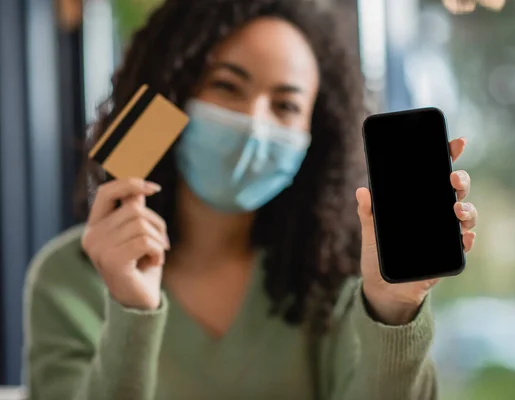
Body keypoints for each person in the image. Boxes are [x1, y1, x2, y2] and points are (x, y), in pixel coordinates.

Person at [23, 0, 478, 399]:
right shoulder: (66, 279)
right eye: (226, 85)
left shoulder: (339, 279)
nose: (254, 122)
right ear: (170, 93)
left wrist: (394, 311)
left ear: (314, 137)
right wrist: (131, 311)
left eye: (286, 106)